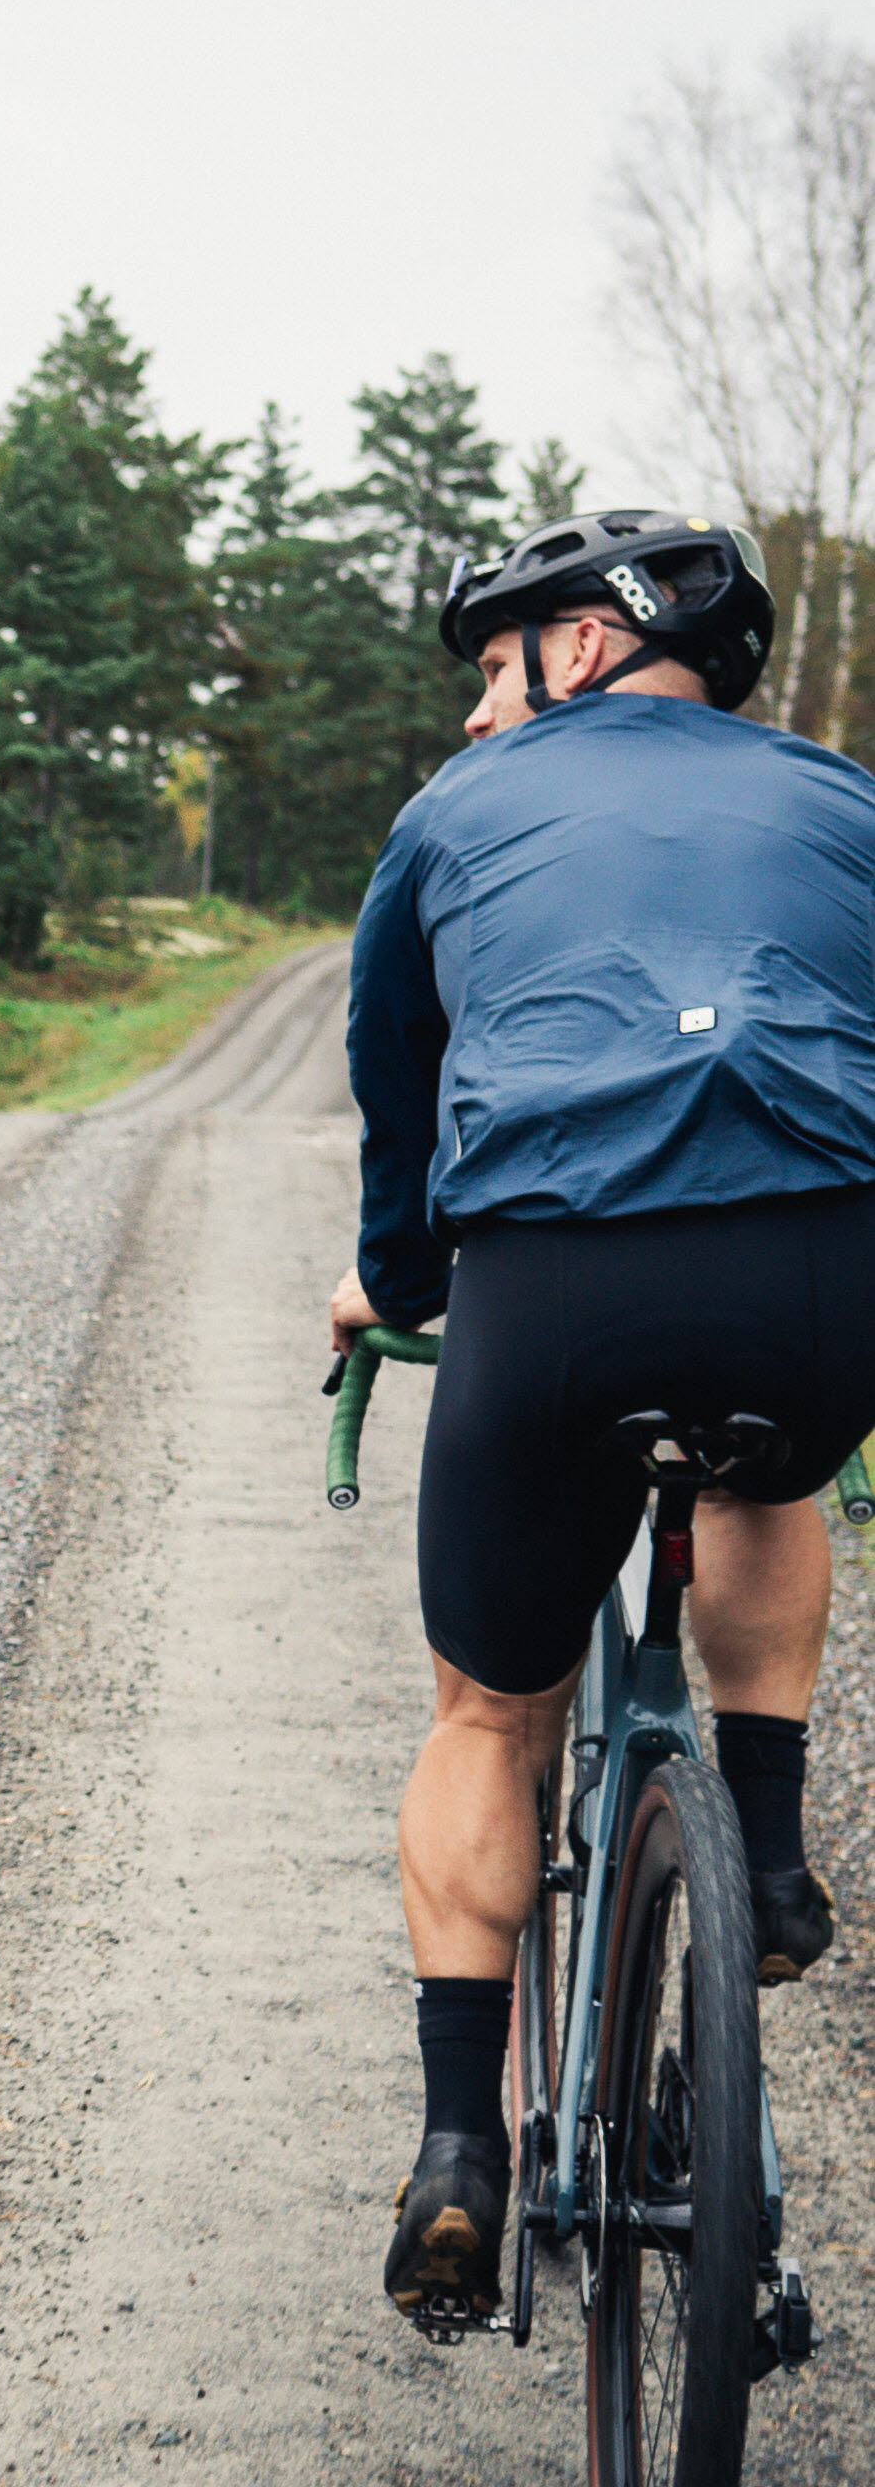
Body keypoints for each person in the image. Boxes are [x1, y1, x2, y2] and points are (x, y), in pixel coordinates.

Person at [334, 506, 875, 2323]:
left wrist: (398, 1283)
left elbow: (393, 1090)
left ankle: (455, 2154)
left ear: (579, 649)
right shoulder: (842, 803)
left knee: (489, 1707)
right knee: (768, 1471)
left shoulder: (454, 817)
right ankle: (769, 1846)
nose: (481, 717)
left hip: (552, 1294)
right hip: (819, 1286)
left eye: (496, 671)